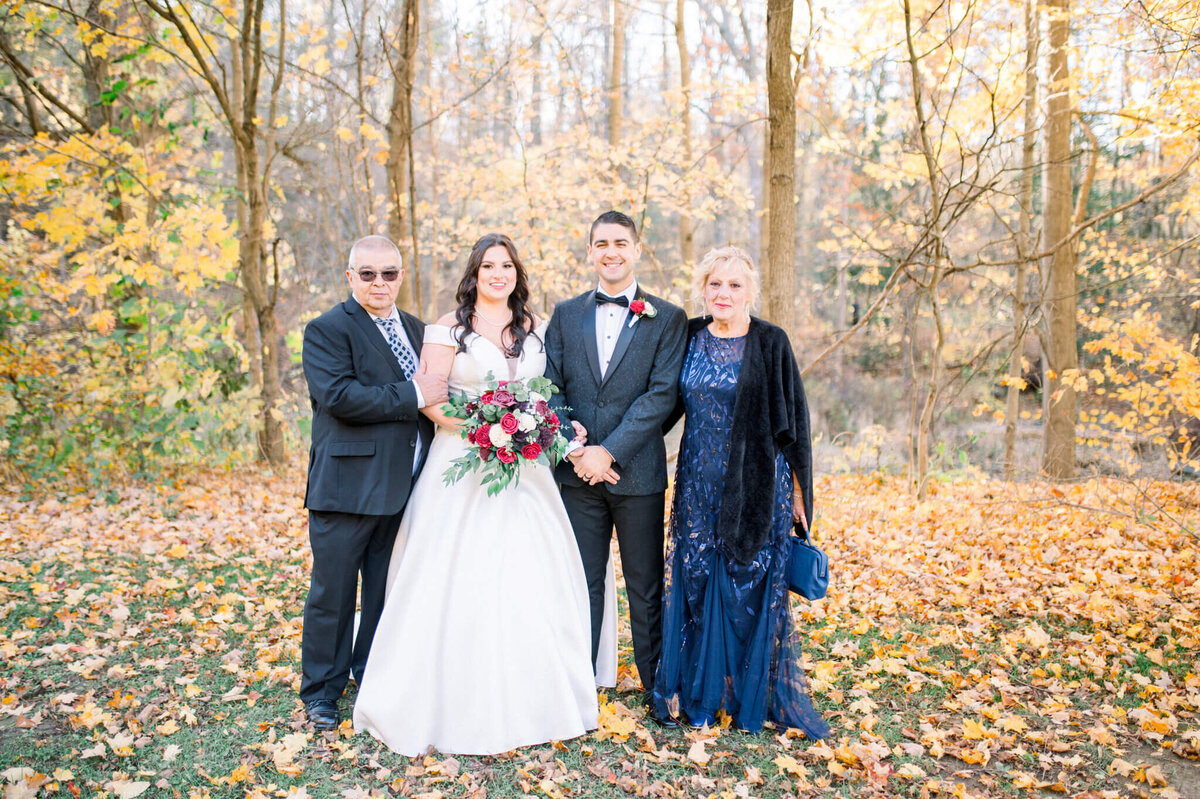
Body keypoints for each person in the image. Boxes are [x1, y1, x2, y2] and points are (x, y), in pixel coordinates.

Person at [353, 233, 599, 756]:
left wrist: (541, 431)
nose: (497, 274)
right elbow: (432, 400)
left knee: (529, 577)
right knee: (456, 577)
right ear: (474, 273)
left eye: (506, 265)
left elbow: (540, 398)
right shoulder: (448, 329)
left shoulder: (534, 330)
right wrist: (487, 433)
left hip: (526, 473)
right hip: (461, 467)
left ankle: (538, 697)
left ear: (517, 274)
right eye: (488, 265)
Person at [651, 245, 829, 737]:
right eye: (715, 284)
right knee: (698, 579)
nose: (723, 293)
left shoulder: (771, 342)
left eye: (734, 285)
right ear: (702, 289)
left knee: (746, 583)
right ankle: (702, 698)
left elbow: (796, 424)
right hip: (696, 484)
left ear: (750, 290)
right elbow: (662, 402)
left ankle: (745, 698)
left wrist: (798, 493)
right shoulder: (687, 335)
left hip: (755, 485)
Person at [544, 211, 687, 725]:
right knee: (582, 583)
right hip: (576, 477)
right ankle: (578, 690)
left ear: (637, 249)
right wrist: (577, 451)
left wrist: (610, 451)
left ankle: (657, 687)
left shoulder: (668, 317)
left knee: (646, 586)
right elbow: (550, 387)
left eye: (620, 243)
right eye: (601, 243)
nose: (611, 251)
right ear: (589, 250)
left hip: (638, 475)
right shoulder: (563, 314)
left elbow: (661, 394)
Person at [300, 235, 447, 731]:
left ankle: (371, 673)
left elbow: (437, 399)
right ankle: (322, 691)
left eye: (389, 273)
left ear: (401, 276)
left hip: (405, 489)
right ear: (350, 277)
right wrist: (411, 392)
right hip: (346, 486)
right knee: (333, 594)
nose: (379, 282)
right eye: (368, 274)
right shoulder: (326, 331)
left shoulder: (418, 329)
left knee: (386, 594)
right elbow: (340, 396)